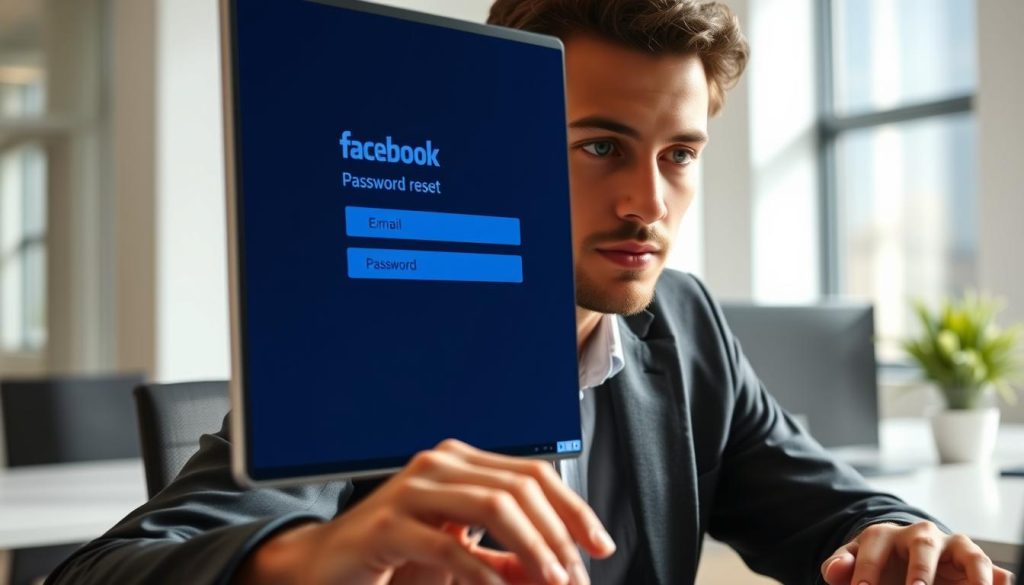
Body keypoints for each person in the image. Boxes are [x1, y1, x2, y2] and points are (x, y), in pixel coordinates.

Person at [47, 1, 1014, 584]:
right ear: (498, 137)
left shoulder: (685, 322)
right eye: (600, 147)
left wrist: (890, 534)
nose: (648, 202)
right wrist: (310, 556)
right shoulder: (380, 334)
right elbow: (98, 571)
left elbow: (828, 504)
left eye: (679, 156)